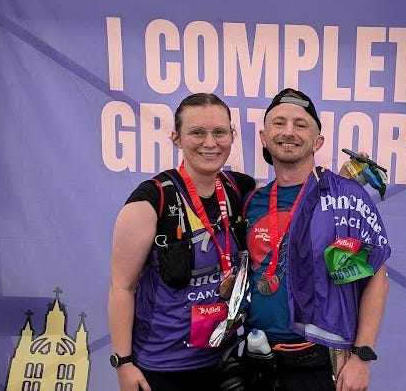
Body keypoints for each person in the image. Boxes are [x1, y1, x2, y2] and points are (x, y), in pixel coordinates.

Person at [243, 88, 391, 391]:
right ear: (263, 136)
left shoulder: (344, 197)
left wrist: (362, 357)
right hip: (257, 358)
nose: (288, 132)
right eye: (278, 123)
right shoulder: (252, 201)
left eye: (301, 124)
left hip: (319, 359)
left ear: (317, 141)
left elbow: (376, 278)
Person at [108, 93, 256, 391]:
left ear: (232, 135)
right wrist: (123, 364)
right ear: (177, 138)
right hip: (161, 366)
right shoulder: (151, 200)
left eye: (219, 132)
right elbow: (121, 288)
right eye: (197, 132)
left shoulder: (239, 189)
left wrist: (341, 185)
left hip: (223, 360)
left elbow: (292, 200)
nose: (210, 143)